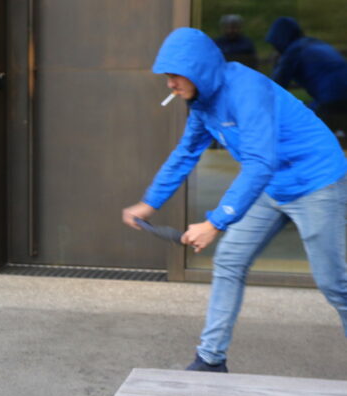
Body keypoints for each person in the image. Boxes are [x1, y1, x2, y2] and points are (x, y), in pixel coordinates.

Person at [122, 27, 347, 372]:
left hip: (316, 182)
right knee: (229, 262)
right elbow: (185, 154)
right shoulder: (203, 104)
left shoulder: (246, 90)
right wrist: (149, 203)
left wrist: (215, 222)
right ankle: (211, 360)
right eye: (166, 77)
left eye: (174, 75)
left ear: (198, 69)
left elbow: (259, 163)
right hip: (272, 186)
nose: (169, 84)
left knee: (335, 285)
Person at [266, 16, 347, 136]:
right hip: (336, 98)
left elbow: (275, 86)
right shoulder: (315, 43)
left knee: (303, 131)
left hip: (330, 100)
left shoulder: (294, 51)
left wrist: (277, 64)